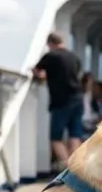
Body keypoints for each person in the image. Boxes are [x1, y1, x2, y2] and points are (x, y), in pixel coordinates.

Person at [31, 32, 85, 168]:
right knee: (75, 135)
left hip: (61, 101)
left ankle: (68, 168)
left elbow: (37, 71)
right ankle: (77, 168)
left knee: (55, 138)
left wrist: (41, 76)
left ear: (50, 44)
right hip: (78, 99)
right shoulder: (74, 57)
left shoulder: (51, 56)